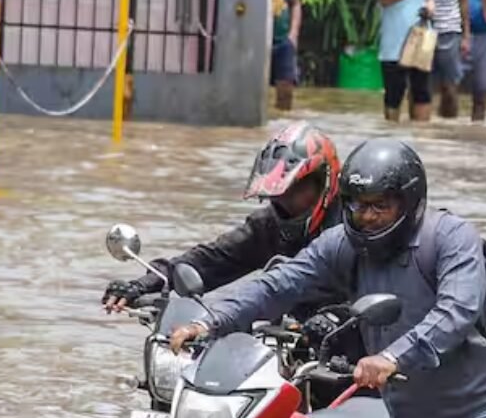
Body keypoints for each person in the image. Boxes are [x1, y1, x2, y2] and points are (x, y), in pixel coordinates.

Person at [169, 139, 486, 418]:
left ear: (410, 202)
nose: (366, 216)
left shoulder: (451, 237)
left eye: (379, 206)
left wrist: (391, 356)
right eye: (357, 204)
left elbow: (457, 310)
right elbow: (280, 283)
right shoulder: (342, 243)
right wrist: (212, 320)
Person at [101, 122, 359, 360]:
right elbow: (210, 260)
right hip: (285, 347)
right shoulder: (267, 226)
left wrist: (338, 318)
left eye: (297, 191)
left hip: (351, 355)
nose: (286, 202)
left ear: (324, 183)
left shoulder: (354, 233)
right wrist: (143, 284)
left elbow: (384, 295)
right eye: (280, 194)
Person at [375, 0, 438, 122]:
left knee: (423, 93)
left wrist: (430, 5)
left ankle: (421, 141)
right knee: (394, 95)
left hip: (421, 40)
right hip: (394, 43)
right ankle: (392, 139)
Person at [430, 0, 474, 118]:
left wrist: (466, 35)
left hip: (450, 29)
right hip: (421, 29)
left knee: (450, 87)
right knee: (420, 88)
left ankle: (449, 132)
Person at [259, 0, 301, 112]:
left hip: (282, 39)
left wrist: (293, 35)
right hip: (255, 40)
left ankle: (282, 127)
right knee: (251, 90)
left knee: (286, 90)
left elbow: (296, 3)